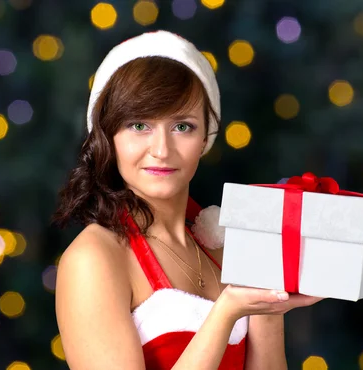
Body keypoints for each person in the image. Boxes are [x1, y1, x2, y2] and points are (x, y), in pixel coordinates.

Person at [53, 30, 323, 370]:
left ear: (205, 137)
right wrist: (228, 311)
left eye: (183, 127)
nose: (162, 150)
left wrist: (270, 306)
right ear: (108, 138)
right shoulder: (93, 258)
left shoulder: (225, 245)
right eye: (139, 125)